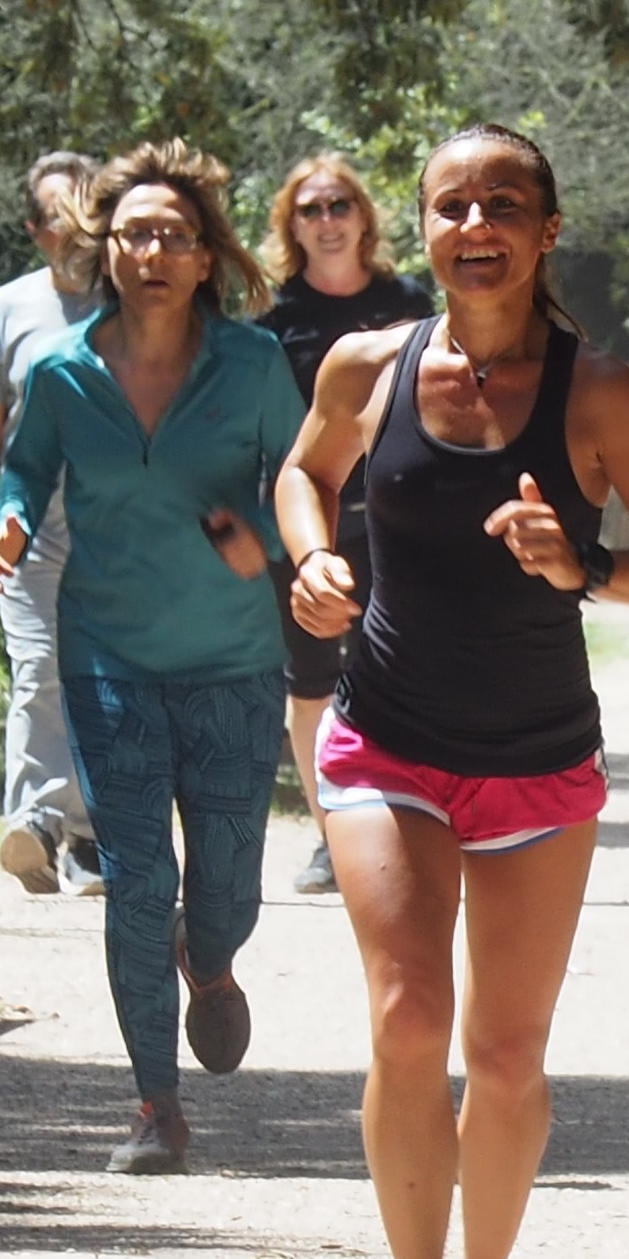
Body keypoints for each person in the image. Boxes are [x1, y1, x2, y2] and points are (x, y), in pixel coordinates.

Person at [276, 126, 629, 1259]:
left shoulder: (600, 395)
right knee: (410, 1019)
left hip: (535, 759)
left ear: (547, 228)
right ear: (421, 228)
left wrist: (582, 567)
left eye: (504, 204)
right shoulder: (369, 363)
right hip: (385, 739)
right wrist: (311, 558)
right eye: (452, 205)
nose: (477, 225)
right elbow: (306, 472)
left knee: (507, 1054)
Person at [0, 144, 306, 1177]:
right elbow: (24, 474)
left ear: (205, 255)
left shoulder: (253, 366)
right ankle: (153, 1108)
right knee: (134, 877)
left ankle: (207, 962)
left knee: (226, 888)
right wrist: (8, 524)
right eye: (135, 235)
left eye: (175, 235)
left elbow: (305, 478)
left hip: (231, 656)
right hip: (107, 653)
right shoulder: (60, 370)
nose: (155, 252)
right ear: (103, 252)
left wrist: (261, 530)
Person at [256, 154, 431, 893]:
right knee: (312, 683)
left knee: (406, 676)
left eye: (338, 206)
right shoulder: (273, 320)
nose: (327, 221)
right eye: (310, 209)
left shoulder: (411, 301)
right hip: (311, 527)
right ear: (291, 226)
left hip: (401, 526)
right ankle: (333, 833)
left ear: (364, 216)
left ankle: (412, 822)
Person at [0, 150, 105, 895]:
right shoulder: (6, 310)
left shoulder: (142, 299)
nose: (73, 222)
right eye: (56, 211)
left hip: (129, 532)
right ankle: (40, 823)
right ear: (34, 228)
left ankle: (87, 831)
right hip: (30, 531)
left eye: (86, 203)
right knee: (39, 676)